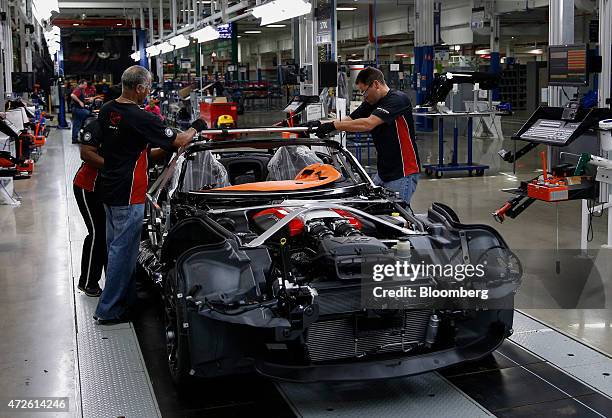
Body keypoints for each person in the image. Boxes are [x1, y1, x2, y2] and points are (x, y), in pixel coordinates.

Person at [94, 65, 206, 325]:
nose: (149, 92)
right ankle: (109, 310)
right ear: (140, 88)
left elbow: (128, 146)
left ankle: (126, 300)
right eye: (148, 87)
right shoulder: (139, 116)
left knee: (116, 250)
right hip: (129, 192)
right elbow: (179, 140)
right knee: (123, 252)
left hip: (110, 189)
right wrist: (196, 127)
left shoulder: (108, 109)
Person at [316, 67, 420, 204]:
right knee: (375, 212)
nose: (364, 96)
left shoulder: (398, 99)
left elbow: (369, 123)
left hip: (402, 172)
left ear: (376, 84)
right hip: (383, 172)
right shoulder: (371, 103)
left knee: (398, 218)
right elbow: (350, 119)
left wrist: (334, 126)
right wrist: (319, 124)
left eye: (364, 92)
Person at [73, 116, 106, 297]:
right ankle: (87, 282)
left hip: (103, 188)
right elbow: (85, 154)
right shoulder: (97, 126)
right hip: (88, 186)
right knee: (97, 233)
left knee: (105, 233)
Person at [70, 79, 92, 144]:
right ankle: (77, 137)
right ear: (81, 84)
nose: (86, 86)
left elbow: (80, 98)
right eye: (85, 84)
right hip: (77, 109)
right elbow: (72, 95)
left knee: (77, 124)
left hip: (77, 109)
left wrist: (86, 100)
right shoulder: (78, 89)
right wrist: (80, 102)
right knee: (89, 114)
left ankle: (75, 138)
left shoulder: (81, 90)